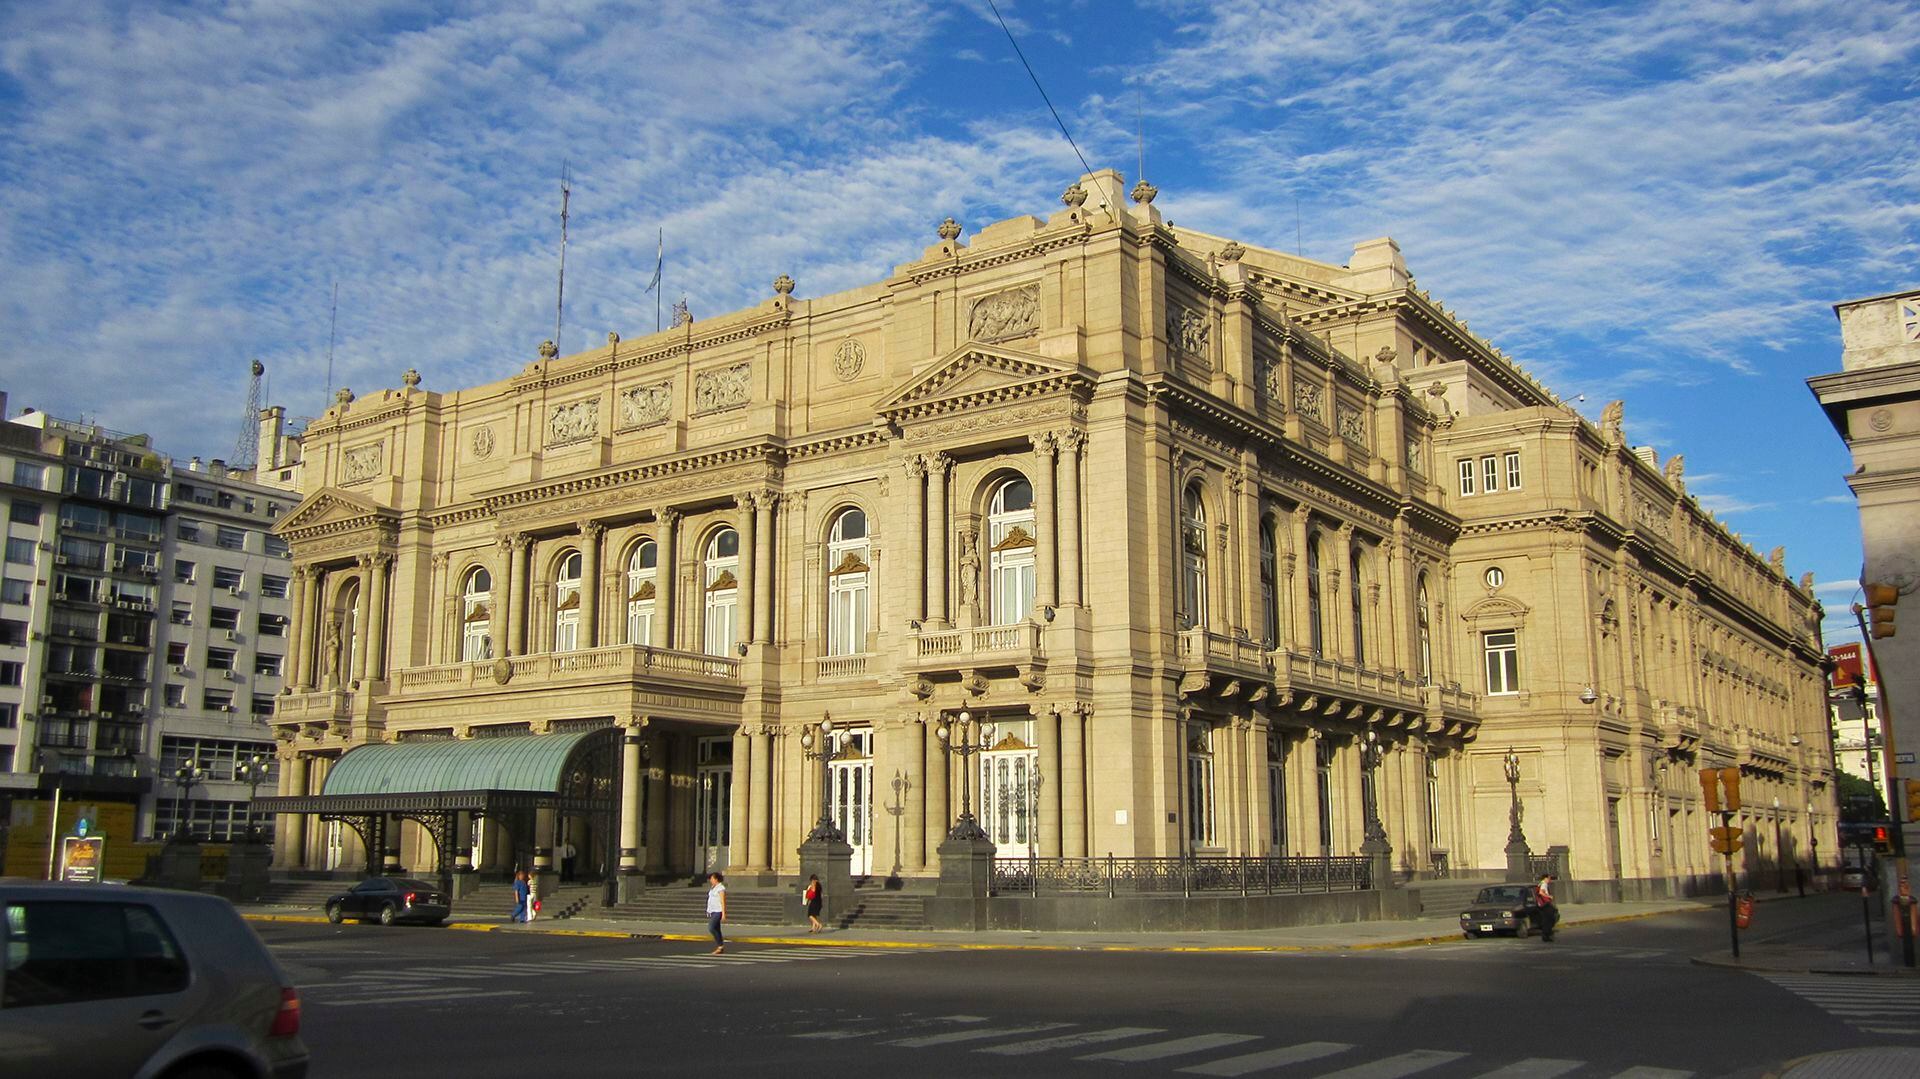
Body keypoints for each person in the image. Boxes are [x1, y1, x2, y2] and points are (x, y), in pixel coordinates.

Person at [706, 872, 727, 955]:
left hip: (718, 911)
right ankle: (720, 947)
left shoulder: (721, 888)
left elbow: (723, 901)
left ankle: (720, 945)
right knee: (717, 929)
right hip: (713, 910)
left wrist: (724, 913)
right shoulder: (713, 888)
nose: (710, 880)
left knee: (711, 927)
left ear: (716, 879)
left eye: (712, 878)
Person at [1533, 873, 1558, 942]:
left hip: (1542, 904)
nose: (1550, 880)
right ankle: (1547, 934)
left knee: (1546, 919)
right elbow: (1541, 893)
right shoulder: (1544, 884)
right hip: (1545, 904)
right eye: (1549, 878)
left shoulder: (1540, 884)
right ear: (1545, 878)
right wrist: (1549, 896)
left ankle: (1546, 934)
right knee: (1549, 919)